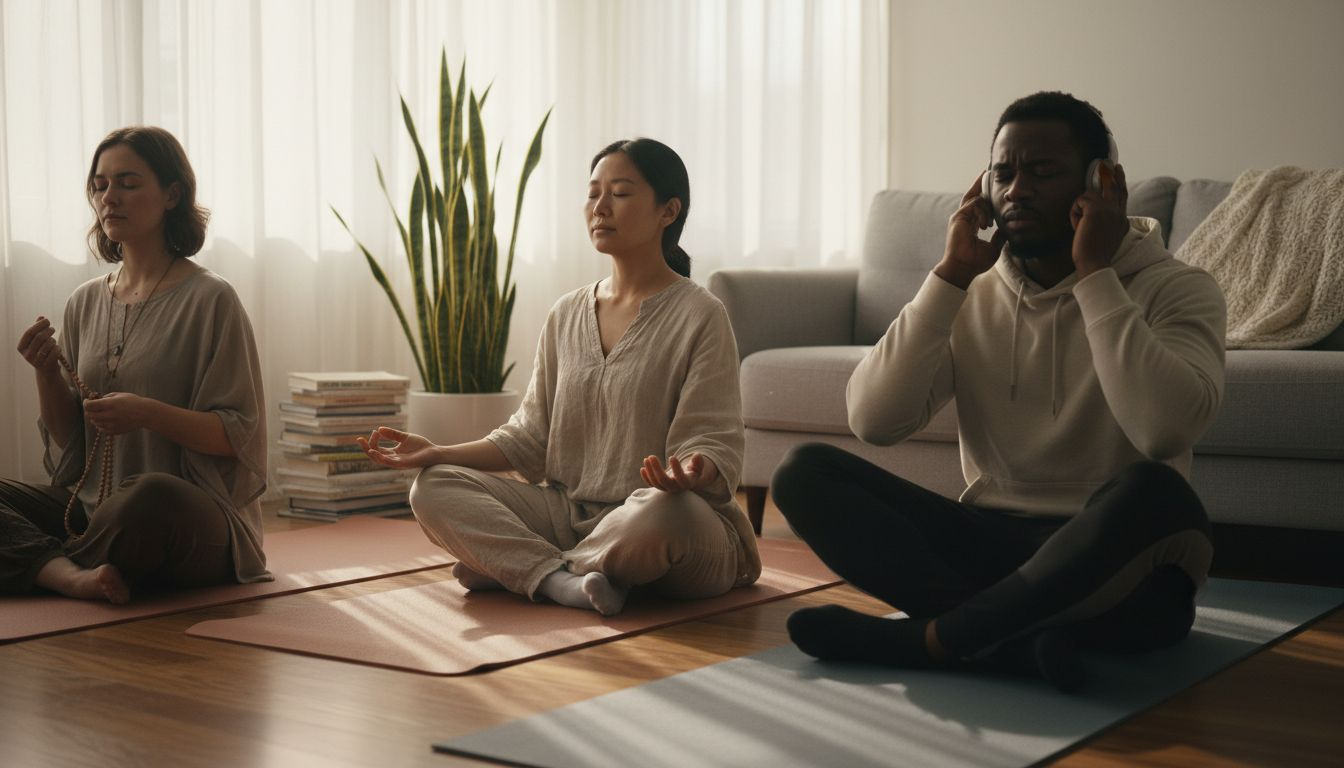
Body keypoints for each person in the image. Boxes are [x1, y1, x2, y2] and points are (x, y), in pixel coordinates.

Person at [772, 92, 1227, 691]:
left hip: (1119, 567)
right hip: (993, 547)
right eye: (1003, 174)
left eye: (1041, 172)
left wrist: (1095, 276)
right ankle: (1008, 642)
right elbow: (874, 420)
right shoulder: (970, 292)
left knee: (1157, 492)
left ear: (1101, 184)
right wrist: (950, 278)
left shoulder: (1180, 289)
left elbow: (1162, 429)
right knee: (804, 473)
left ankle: (932, 639)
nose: (1016, 190)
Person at [359, 137, 760, 616]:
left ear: (667, 211)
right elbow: (529, 438)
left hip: (666, 521)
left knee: (660, 513)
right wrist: (439, 452)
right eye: (593, 194)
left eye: (621, 193)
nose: (600, 207)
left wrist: (693, 468)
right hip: (566, 514)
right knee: (432, 485)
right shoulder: (565, 313)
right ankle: (560, 579)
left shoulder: (701, 314)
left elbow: (713, 439)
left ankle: (517, 568)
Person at [3, 126, 269, 603]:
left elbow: (239, 436)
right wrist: (46, 372)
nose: (109, 198)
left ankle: (41, 559)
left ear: (172, 194)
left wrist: (148, 413)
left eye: (127, 183)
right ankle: (72, 575)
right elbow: (72, 447)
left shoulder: (212, 300)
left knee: (149, 497)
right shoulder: (83, 302)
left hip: (185, 514)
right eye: (100, 185)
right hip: (91, 511)